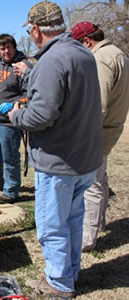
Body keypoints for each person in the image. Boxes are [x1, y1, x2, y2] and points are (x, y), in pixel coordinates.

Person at [8, 1, 103, 297]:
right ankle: (70, 272)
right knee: (73, 219)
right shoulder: (83, 53)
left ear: (35, 30)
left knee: (52, 226)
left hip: (58, 160)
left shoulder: (52, 61)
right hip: (84, 157)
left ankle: (59, 283)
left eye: (30, 30)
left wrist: (16, 116)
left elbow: (41, 116)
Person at [70, 22, 129, 252]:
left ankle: (86, 239)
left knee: (91, 185)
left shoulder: (100, 58)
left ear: (87, 41)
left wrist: (82, 133)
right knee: (101, 178)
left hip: (98, 130)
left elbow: (99, 104)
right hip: (112, 126)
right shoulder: (119, 54)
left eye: (78, 45)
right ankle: (100, 223)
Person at [0, 34, 32, 204]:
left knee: (10, 157)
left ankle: (11, 190)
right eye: (2, 48)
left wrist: (13, 105)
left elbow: (29, 95)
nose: (6, 51)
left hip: (10, 122)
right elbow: (0, 88)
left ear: (14, 47)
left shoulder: (22, 66)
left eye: (9, 47)